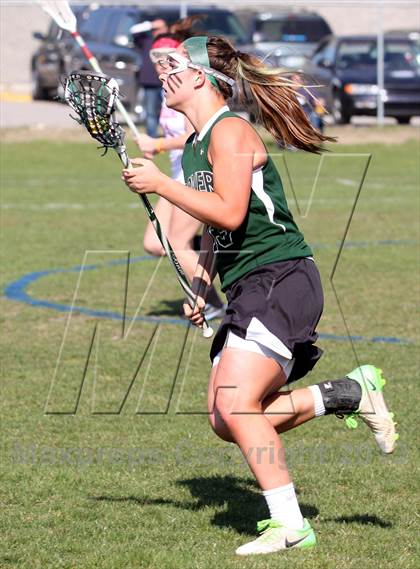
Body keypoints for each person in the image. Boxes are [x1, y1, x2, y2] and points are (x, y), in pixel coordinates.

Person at [122, 36, 398, 556]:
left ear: (201, 76)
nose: (163, 74)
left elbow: (229, 212)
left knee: (236, 404)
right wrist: (202, 283)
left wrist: (160, 184)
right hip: (251, 283)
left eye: (174, 65)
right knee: (225, 419)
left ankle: (290, 525)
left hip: (280, 276)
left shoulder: (230, 131)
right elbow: (215, 231)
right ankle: (345, 394)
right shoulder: (198, 141)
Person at [135, 24, 225, 319]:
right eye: (155, 57)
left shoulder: (185, 94)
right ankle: (209, 252)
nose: (160, 63)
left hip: (191, 176)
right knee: (154, 243)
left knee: (176, 242)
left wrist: (158, 144)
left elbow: (192, 135)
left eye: (166, 57)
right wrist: (154, 146)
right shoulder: (167, 95)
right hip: (175, 175)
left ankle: (211, 302)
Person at [132, 18, 169, 137]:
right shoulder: (146, 40)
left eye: (160, 28)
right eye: (155, 29)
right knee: (151, 112)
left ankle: (170, 136)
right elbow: (133, 30)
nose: (157, 31)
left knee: (168, 112)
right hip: (150, 83)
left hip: (168, 82)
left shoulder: (169, 41)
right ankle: (152, 136)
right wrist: (150, 24)